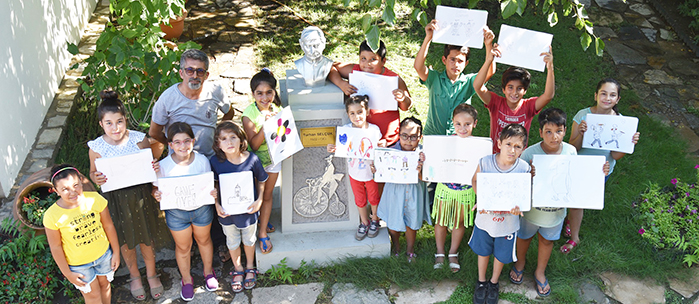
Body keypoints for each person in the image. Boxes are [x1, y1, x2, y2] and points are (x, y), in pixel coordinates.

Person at [510, 108, 610, 297]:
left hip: (555, 212)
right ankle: (520, 263)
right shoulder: (529, 154)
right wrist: (526, 175)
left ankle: (540, 271)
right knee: (524, 237)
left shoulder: (571, 151)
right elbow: (516, 180)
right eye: (548, 131)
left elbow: (577, 176)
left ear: (565, 131)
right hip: (531, 211)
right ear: (540, 133)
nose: (554, 137)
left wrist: (599, 171)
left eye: (558, 131)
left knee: (547, 241)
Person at [149, 49, 235, 262]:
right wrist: (174, 148)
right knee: (184, 200)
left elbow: (229, 113)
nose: (194, 75)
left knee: (215, 198)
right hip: (180, 162)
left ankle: (219, 242)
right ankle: (188, 243)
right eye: (190, 70)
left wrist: (219, 135)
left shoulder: (215, 91)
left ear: (206, 75)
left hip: (210, 158)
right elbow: (154, 132)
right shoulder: (168, 98)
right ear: (181, 72)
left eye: (200, 71)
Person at [88, 91, 169, 301]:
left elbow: (150, 165)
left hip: (140, 197)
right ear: (101, 124)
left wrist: (153, 166)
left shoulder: (138, 139)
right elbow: (91, 172)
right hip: (115, 201)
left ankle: (151, 274)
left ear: (125, 119)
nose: (115, 128)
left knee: (146, 238)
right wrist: (95, 177)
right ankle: (134, 276)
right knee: (125, 241)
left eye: (119, 121)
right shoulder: (96, 147)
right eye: (109, 123)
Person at [562, 78, 641, 254]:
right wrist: (581, 133)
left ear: (618, 99)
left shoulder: (622, 123)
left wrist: (628, 144)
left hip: (601, 169)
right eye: (603, 93)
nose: (607, 98)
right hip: (579, 165)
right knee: (576, 201)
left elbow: (615, 156)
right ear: (596, 95)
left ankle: (570, 222)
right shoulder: (583, 115)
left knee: (579, 201)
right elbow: (572, 147)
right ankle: (575, 237)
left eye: (612, 95)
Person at [151, 122, 218, 301]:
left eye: (187, 141)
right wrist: (155, 194)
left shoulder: (202, 161)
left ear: (193, 141)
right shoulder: (163, 166)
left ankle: (208, 273)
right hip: (176, 213)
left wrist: (213, 192)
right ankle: (187, 280)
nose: (183, 146)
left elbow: (208, 185)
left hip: (201, 209)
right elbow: (156, 188)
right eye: (177, 142)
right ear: (170, 145)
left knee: (204, 240)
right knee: (183, 247)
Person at [469, 124, 531, 304]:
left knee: (501, 254)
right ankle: (481, 281)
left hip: (508, 223)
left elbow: (523, 196)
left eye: (517, 146)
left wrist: (519, 207)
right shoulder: (486, 162)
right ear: (499, 143)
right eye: (508, 144)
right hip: (485, 220)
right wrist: (481, 197)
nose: (512, 150)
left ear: (523, 149)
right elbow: (475, 180)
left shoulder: (524, 168)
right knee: (483, 251)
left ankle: (494, 282)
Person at [44, 165, 120, 304]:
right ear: (56, 191)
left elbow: (108, 226)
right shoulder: (51, 216)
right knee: (93, 296)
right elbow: (55, 246)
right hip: (79, 265)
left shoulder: (95, 199)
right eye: (65, 189)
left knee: (105, 286)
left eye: (75, 185)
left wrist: (116, 252)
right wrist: (67, 273)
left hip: (103, 256)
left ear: (81, 181)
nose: (72, 192)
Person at [210, 121, 267, 293]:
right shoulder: (215, 162)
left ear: (241, 140)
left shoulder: (252, 159)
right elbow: (213, 186)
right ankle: (238, 268)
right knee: (232, 241)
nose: (229, 142)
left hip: (249, 211)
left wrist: (260, 200)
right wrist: (216, 203)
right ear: (218, 144)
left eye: (233, 137)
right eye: (224, 139)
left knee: (249, 240)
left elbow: (262, 180)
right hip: (227, 213)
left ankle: (250, 266)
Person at [413, 19, 496, 136]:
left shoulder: (469, 82)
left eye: (460, 61)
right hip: (433, 135)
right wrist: (428, 38)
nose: (456, 64)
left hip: (458, 136)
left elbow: (489, 72)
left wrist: (488, 45)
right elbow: (418, 67)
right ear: (444, 60)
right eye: (452, 59)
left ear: (466, 63)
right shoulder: (434, 78)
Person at [473, 40, 556, 153]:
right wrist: (489, 60)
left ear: (525, 91)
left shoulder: (528, 106)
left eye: (519, 88)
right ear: (503, 89)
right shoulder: (495, 103)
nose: (514, 92)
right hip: (496, 156)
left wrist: (550, 68)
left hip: (519, 158)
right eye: (510, 87)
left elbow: (548, 96)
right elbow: (478, 86)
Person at [328, 40, 412, 147]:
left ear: (383, 61)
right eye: (363, 58)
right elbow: (330, 68)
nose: (367, 63)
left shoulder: (394, 79)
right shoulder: (355, 70)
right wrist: (342, 84)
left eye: (373, 59)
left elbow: (407, 106)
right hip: (359, 139)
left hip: (387, 141)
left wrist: (403, 98)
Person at [327, 95, 385, 240]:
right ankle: (364, 222)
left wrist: (382, 146)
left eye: (360, 112)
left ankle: (375, 220)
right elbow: (341, 147)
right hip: (354, 173)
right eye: (352, 113)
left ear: (367, 111)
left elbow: (379, 151)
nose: (356, 116)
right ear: (348, 114)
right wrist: (333, 147)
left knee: (374, 198)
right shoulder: (346, 130)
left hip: (371, 172)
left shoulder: (374, 130)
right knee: (359, 199)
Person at [431, 104, 479, 272]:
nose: (462, 128)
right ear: (452, 123)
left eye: (467, 124)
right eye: (458, 124)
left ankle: (453, 252)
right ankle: (439, 252)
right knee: (441, 220)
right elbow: (434, 162)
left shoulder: (478, 146)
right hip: (445, 188)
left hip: (465, 191)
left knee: (459, 222)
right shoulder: (445, 143)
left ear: (475, 123)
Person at [374, 117, 430, 262]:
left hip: (414, 193)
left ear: (420, 137)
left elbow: (428, 178)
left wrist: (420, 171)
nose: (408, 140)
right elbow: (380, 173)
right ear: (399, 134)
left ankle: (410, 250)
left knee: (412, 221)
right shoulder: (390, 152)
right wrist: (378, 168)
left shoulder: (424, 154)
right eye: (404, 136)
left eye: (413, 137)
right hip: (395, 193)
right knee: (393, 223)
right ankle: (396, 246)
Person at [241, 68, 282, 254]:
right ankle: (258, 222)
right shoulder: (249, 114)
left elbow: (283, 136)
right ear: (253, 94)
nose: (264, 97)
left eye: (269, 92)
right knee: (257, 196)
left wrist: (286, 148)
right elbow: (255, 145)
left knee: (267, 196)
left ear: (274, 92)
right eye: (259, 93)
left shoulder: (278, 109)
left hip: (274, 158)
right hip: (256, 162)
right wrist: (266, 125)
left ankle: (263, 231)